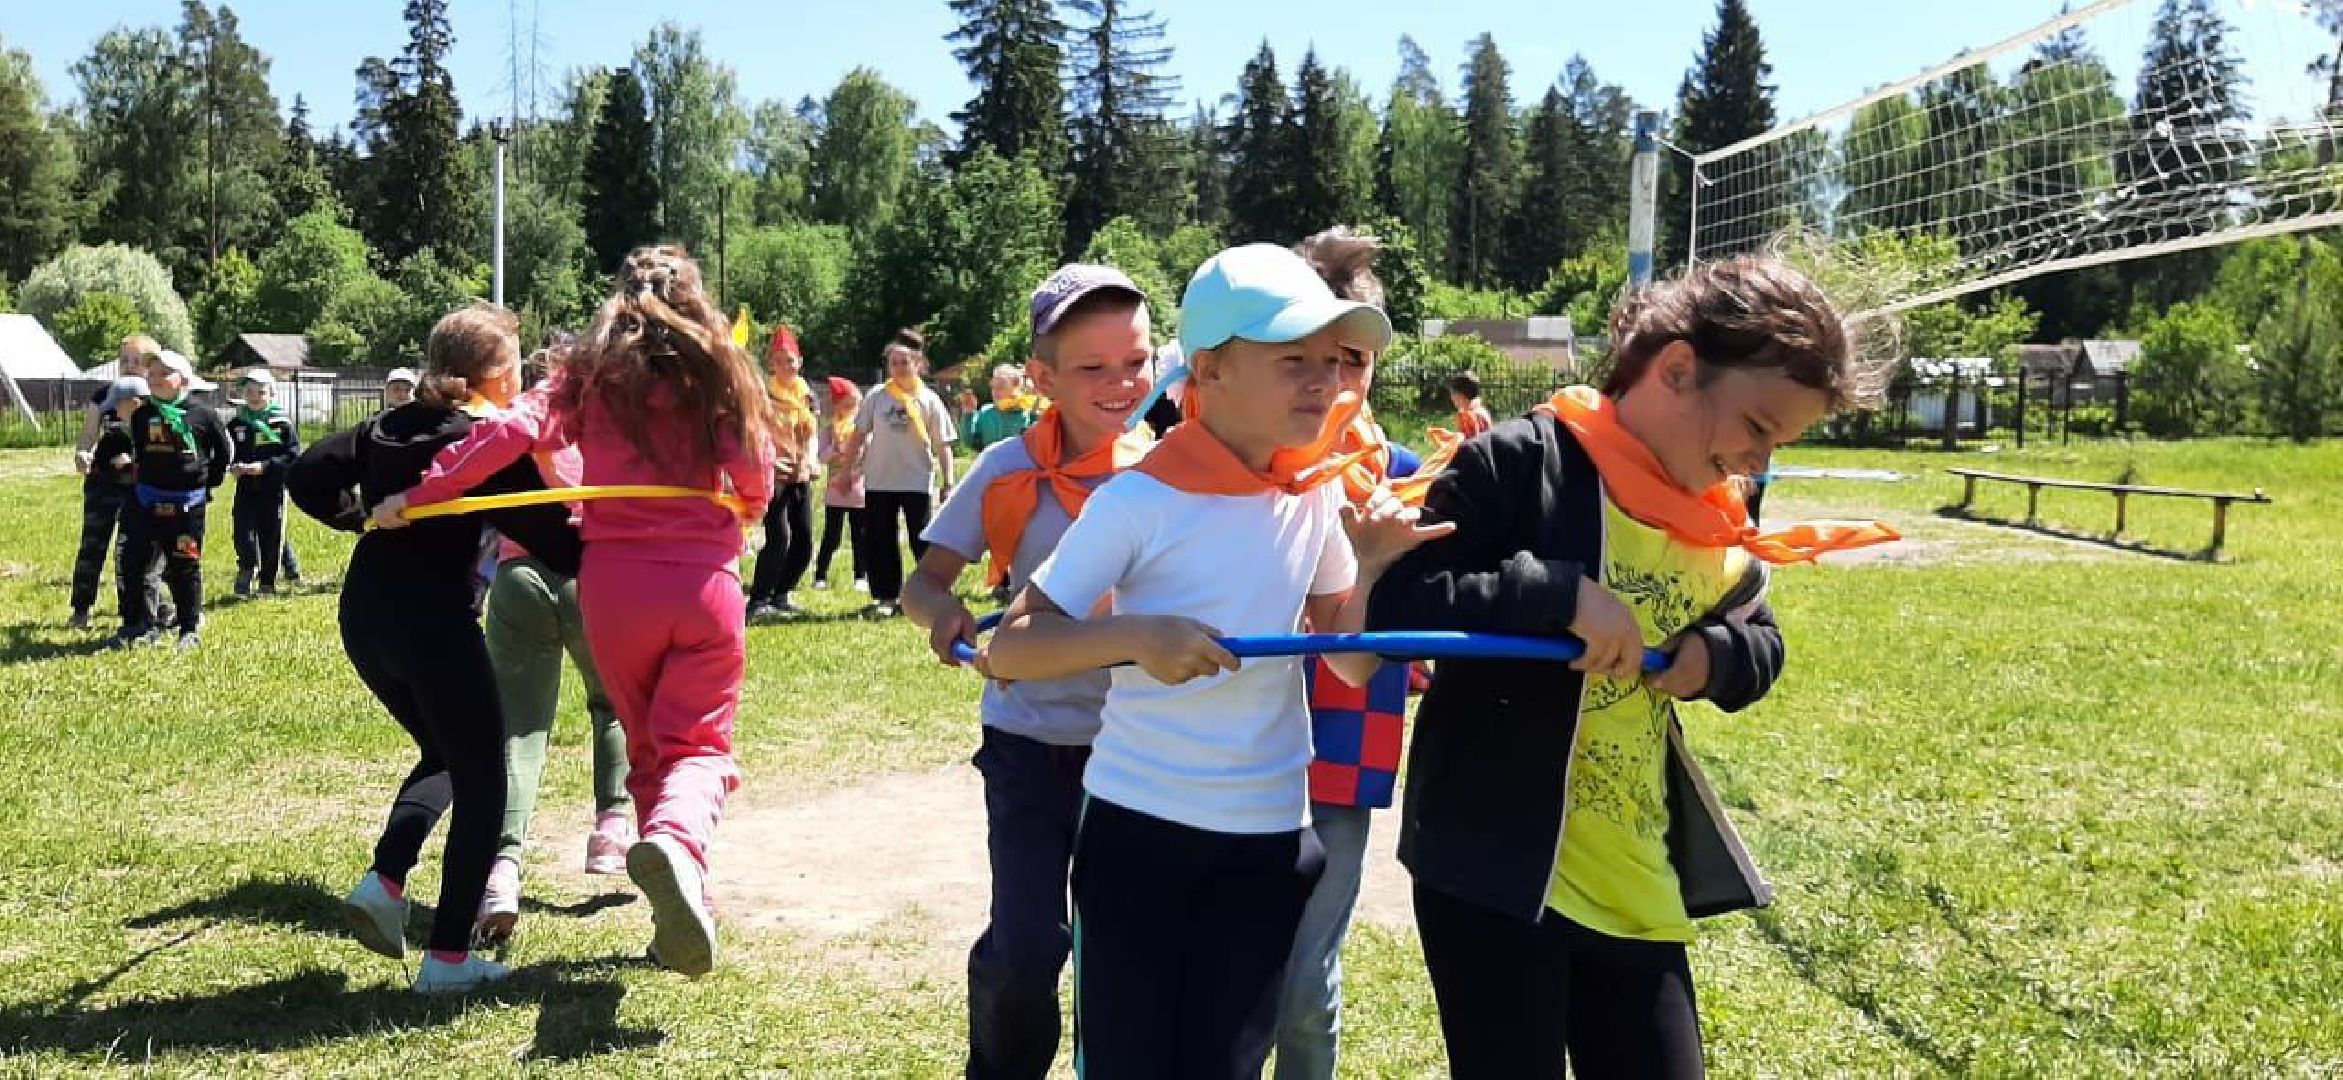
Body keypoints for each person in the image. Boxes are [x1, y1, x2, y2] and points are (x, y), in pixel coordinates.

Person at [1370, 256, 1891, 1077]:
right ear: (1677, 369)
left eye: (1777, 444)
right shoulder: (1517, 463)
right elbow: (1399, 602)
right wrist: (1555, 593)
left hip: (1635, 882)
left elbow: (1762, 640)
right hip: (1491, 874)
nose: (1755, 464)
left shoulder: (1717, 511)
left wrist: (1712, 656)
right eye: (1755, 428)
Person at [983, 244, 1447, 1077]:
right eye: (1292, 359)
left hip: (1270, 838)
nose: (1323, 381)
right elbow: (1010, 648)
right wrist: (1136, 636)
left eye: (1333, 361)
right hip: (1139, 834)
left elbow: (1348, 662)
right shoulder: (1138, 499)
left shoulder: (1310, 498)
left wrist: (1371, 567)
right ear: (1210, 369)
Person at [381, 246, 776, 979]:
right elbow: (756, 468)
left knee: (652, 747)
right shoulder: (718, 371)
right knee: (696, 746)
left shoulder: (588, 374)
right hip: (703, 583)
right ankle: (678, 851)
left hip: (613, 588)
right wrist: (746, 509)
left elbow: (504, 434)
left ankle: (680, 890)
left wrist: (421, 494)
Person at [902, 264, 1157, 1079]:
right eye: (1093, 368)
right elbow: (926, 579)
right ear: (1041, 378)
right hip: (1028, 742)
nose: (1120, 384)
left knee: (1122, 948)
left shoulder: (1174, 470)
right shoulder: (1009, 466)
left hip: (1144, 746)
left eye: (1136, 362)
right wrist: (939, 613)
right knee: (1025, 942)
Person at [288, 303, 581, 995]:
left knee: (449, 754)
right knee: (486, 781)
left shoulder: (386, 425)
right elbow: (561, 547)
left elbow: (305, 477)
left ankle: (386, 879)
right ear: (495, 372)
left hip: (366, 621)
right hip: (434, 629)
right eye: (515, 365)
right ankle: (447, 959)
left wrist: (361, 516)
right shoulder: (485, 441)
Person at [1273, 225, 1432, 1080]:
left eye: (1353, 361)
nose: (1333, 380)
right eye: (1310, 356)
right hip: (1230, 748)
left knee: (1303, 981)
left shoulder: (1403, 476)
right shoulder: (1232, 466)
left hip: (1342, 750)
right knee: (1227, 974)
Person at [473, 352, 637, 944]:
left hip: (519, 578)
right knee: (613, 703)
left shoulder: (524, 413)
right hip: (594, 576)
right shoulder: (612, 417)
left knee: (520, 731)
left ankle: (502, 869)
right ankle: (612, 828)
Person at [115, 352, 232, 651]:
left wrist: (208, 483)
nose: (154, 379)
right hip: (146, 500)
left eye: (163, 373)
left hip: (186, 505)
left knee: (184, 564)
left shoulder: (202, 414)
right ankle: (138, 625)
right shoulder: (142, 415)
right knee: (135, 564)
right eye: (151, 374)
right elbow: (141, 451)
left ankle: (189, 626)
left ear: (183, 379)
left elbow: (223, 452)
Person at [843, 330, 956, 618]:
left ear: (917, 363)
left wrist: (948, 483)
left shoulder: (929, 400)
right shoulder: (876, 397)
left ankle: (930, 593)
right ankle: (886, 595)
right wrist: (846, 471)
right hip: (880, 481)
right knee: (880, 540)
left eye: (905, 362)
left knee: (922, 539)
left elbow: (943, 445)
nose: (899, 368)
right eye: (894, 363)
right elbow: (857, 436)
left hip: (916, 481)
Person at [72, 336, 169, 630]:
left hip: (140, 485)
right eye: (124, 360)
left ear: (150, 365)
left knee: (140, 550)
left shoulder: (157, 399)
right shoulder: (104, 396)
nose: (129, 366)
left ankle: (156, 608)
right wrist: (82, 453)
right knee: (93, 544)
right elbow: (89, 434)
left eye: (136, 361)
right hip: (103, 482)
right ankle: (81, 608)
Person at [747, 327, 819, 620]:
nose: (786, 366)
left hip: (800, 475)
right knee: (778, 537)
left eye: (790, 360)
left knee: (804, 540)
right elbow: (753, 433)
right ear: (771, 365)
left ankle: (782, 593)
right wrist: (769, 463)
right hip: (775, 476)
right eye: (779, 361)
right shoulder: (764, 396)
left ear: (799, 362)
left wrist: (812, 460)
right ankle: (758, 599)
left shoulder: (805, 395)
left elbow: (812, 432)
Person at [226, 370, 302, 597]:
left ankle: (267, 581)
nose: (255, 396)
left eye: (261, 392)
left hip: (273, 486)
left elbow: (292, 455)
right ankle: (247, 567)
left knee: (272, 533)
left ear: (271, 394)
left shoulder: (281, 423)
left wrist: (265, 467)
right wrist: (234, 466)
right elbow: (228, 452)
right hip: (246, 486)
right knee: (243, 530)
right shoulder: (237, 423)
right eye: (249, 392)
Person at [814, 377, 870, 592]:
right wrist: (835, 450)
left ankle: (861, 575)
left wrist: (860, 448)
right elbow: (820, 457)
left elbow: (868, 454)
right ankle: (820, 574)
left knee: (860, 536)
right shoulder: (828, 431)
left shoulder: (861, 430)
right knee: (831, 535)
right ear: (836, 406)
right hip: (835, 490)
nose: (850, 410)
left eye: (854, 405)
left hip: (858, 490)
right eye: (845, 405)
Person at [963, 364, 1040, 453]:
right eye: (993, 387)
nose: (995, 392)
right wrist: (968, 414)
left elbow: (1036, 442)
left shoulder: (1027, 412)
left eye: (1000, 387)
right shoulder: (985, 412)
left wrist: (1035, 412)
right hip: (991, 464)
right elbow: (969, 442)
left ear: (1016, 385)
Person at [1449, 373, 1493, 438]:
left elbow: (1471, 444)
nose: (1451, 397)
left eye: (1452, 393)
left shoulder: (1470, 416)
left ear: (1461, 396)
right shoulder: (1479, 410)